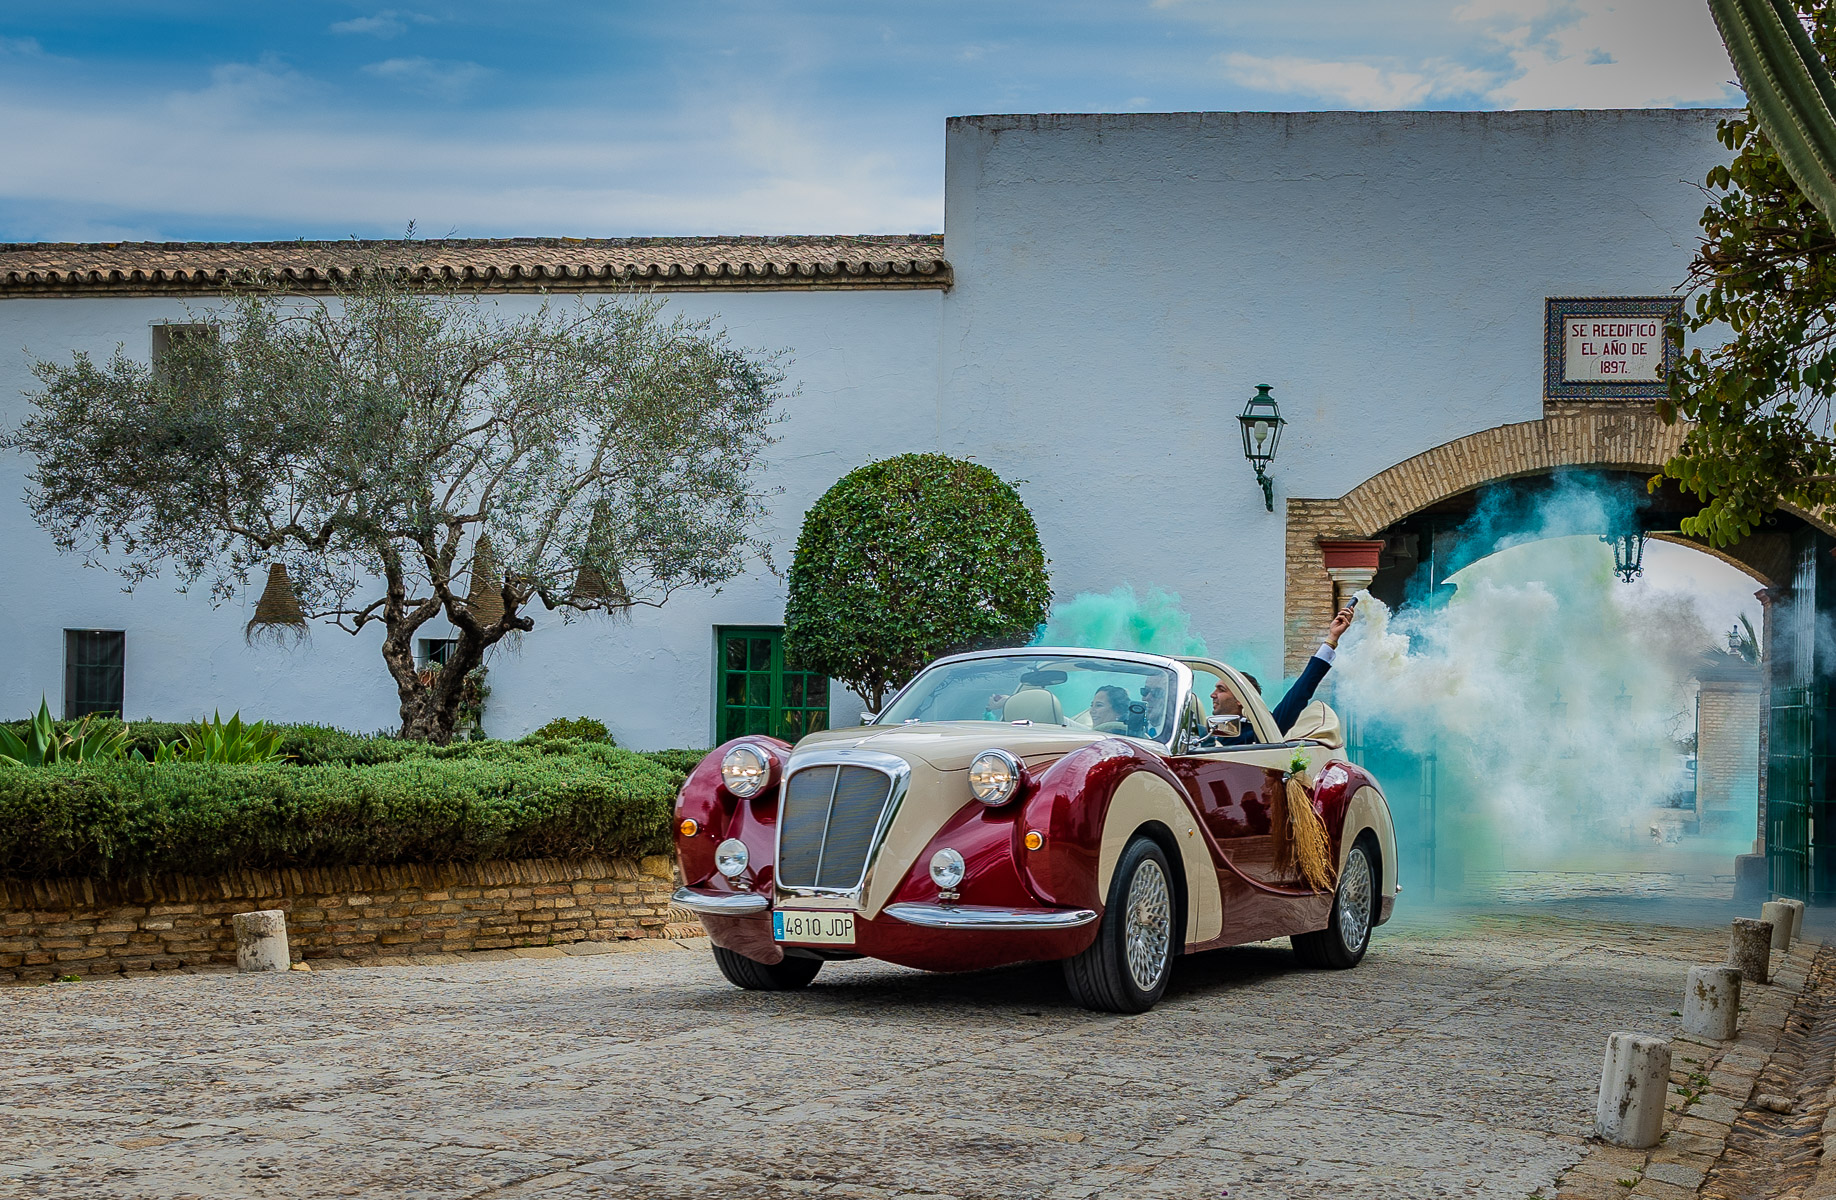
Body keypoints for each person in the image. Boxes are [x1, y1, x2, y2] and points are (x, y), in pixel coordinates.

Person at [1203, 604, 1356, 747]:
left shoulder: (1261, 731)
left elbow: (1299, 694)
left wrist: (1331, 639)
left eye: (1221, 689)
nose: (1212, 695)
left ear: (1240, 700)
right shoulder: (1203, 733)